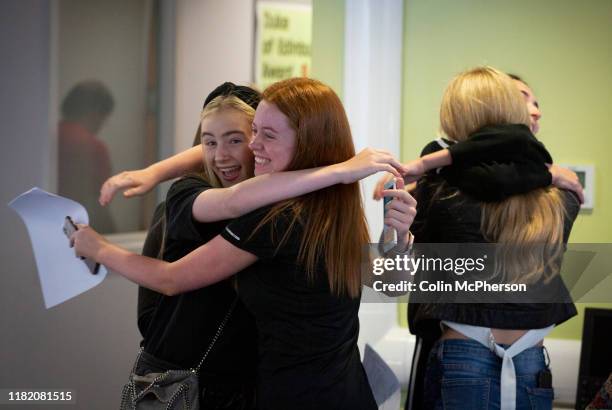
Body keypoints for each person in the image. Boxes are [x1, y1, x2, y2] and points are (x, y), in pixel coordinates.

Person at [73, 77, 417, 410]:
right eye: (253, 133)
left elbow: (171, 277)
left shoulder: (278, 218)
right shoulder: (334, 203)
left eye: (263, 135)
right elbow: (390, 284)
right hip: (342, 392)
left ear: (310, 143)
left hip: (289, 396)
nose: (253, 146)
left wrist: (100, 248)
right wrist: (154, 172)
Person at [405, 67, 580, 409]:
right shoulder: (563, 198)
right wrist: (547, 173)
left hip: (463, 350)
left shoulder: (436, 191)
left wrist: (430, 163)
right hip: (531, 359)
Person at [58, 80, 115, 233]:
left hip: (50, 221)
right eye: (104, 118)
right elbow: (101, 201)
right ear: (95, 114)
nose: (103, 125)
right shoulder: (94, 147)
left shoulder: (49, 139)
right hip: (80, 228)